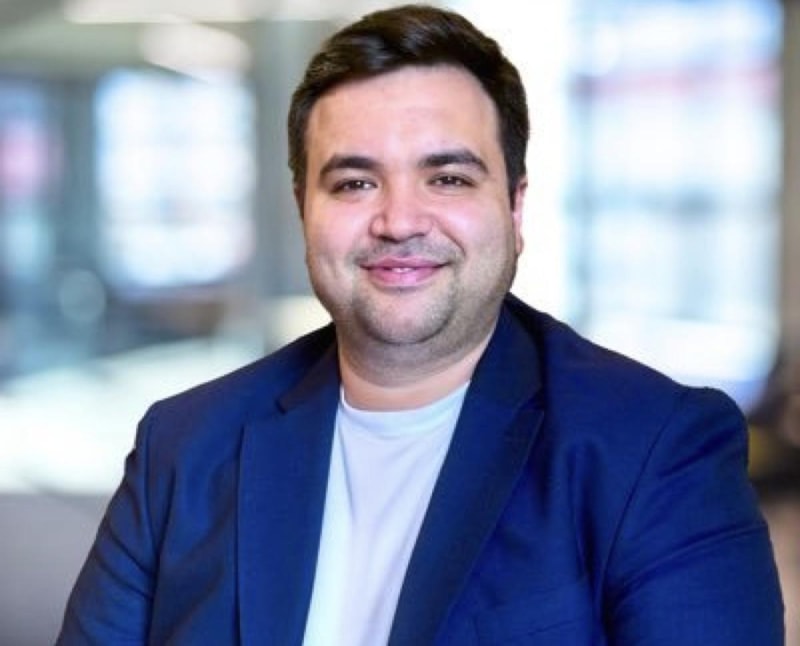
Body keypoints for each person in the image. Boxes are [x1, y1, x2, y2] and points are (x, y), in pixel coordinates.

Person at [57, 4, 783, 645]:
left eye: (448, 178)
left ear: (515, 208)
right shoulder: (184, 447)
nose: (399, 221)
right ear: (303, 209)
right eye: (355, 182)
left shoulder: (655, 451)